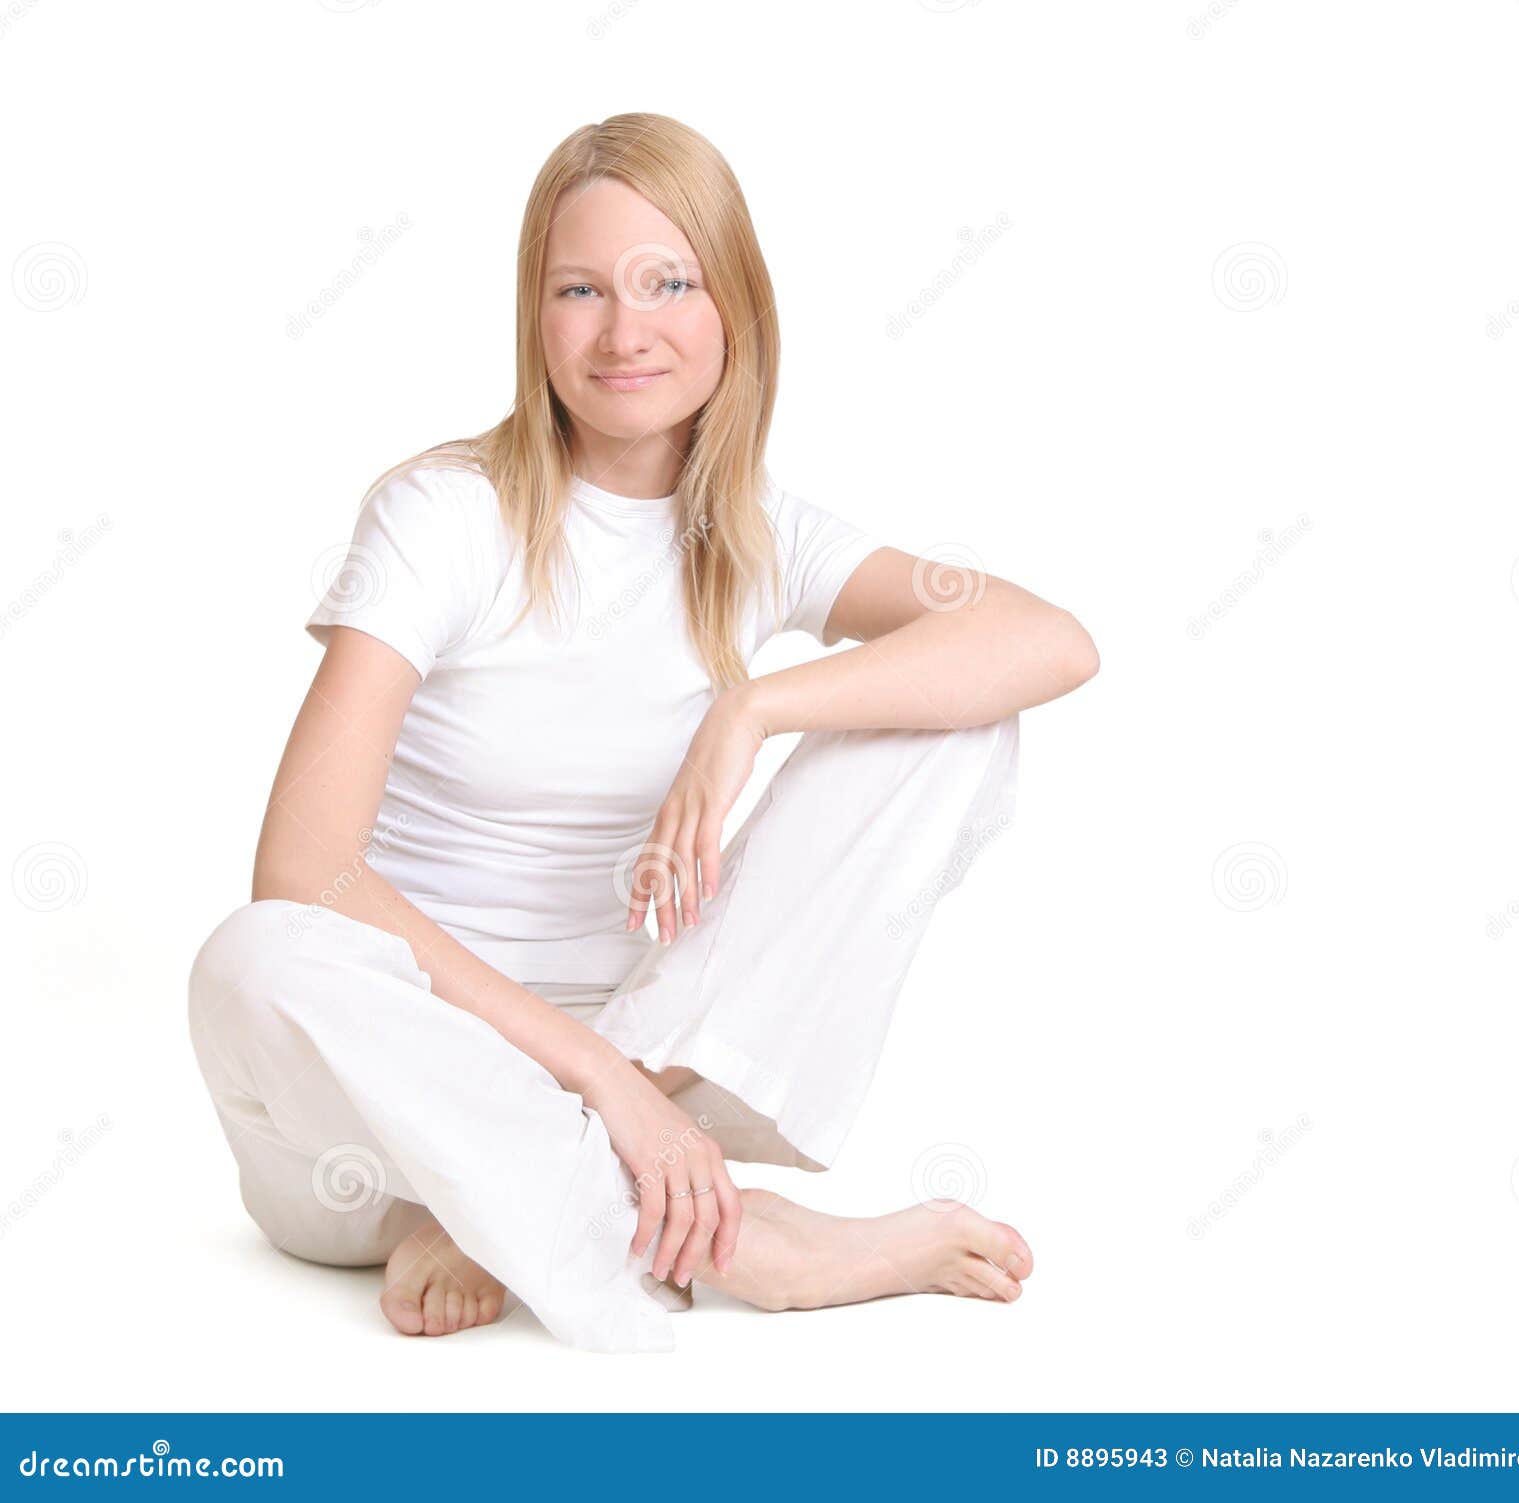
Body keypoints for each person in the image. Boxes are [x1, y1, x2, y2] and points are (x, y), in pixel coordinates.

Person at [186, 112, 1100, 1353]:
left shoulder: (756, 535)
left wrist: (755, 706)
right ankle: (744, 1242)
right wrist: (602, 1091)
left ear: (735, 307)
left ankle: (519, 1210)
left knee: (951, 723)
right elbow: (304, 872)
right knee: (255, 958)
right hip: (388, 1103)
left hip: (657, 1078)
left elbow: (1046, 641)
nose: (625, 331)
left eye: (668, 282)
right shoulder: (442, 517)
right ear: (536, 317)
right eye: (581, 289)